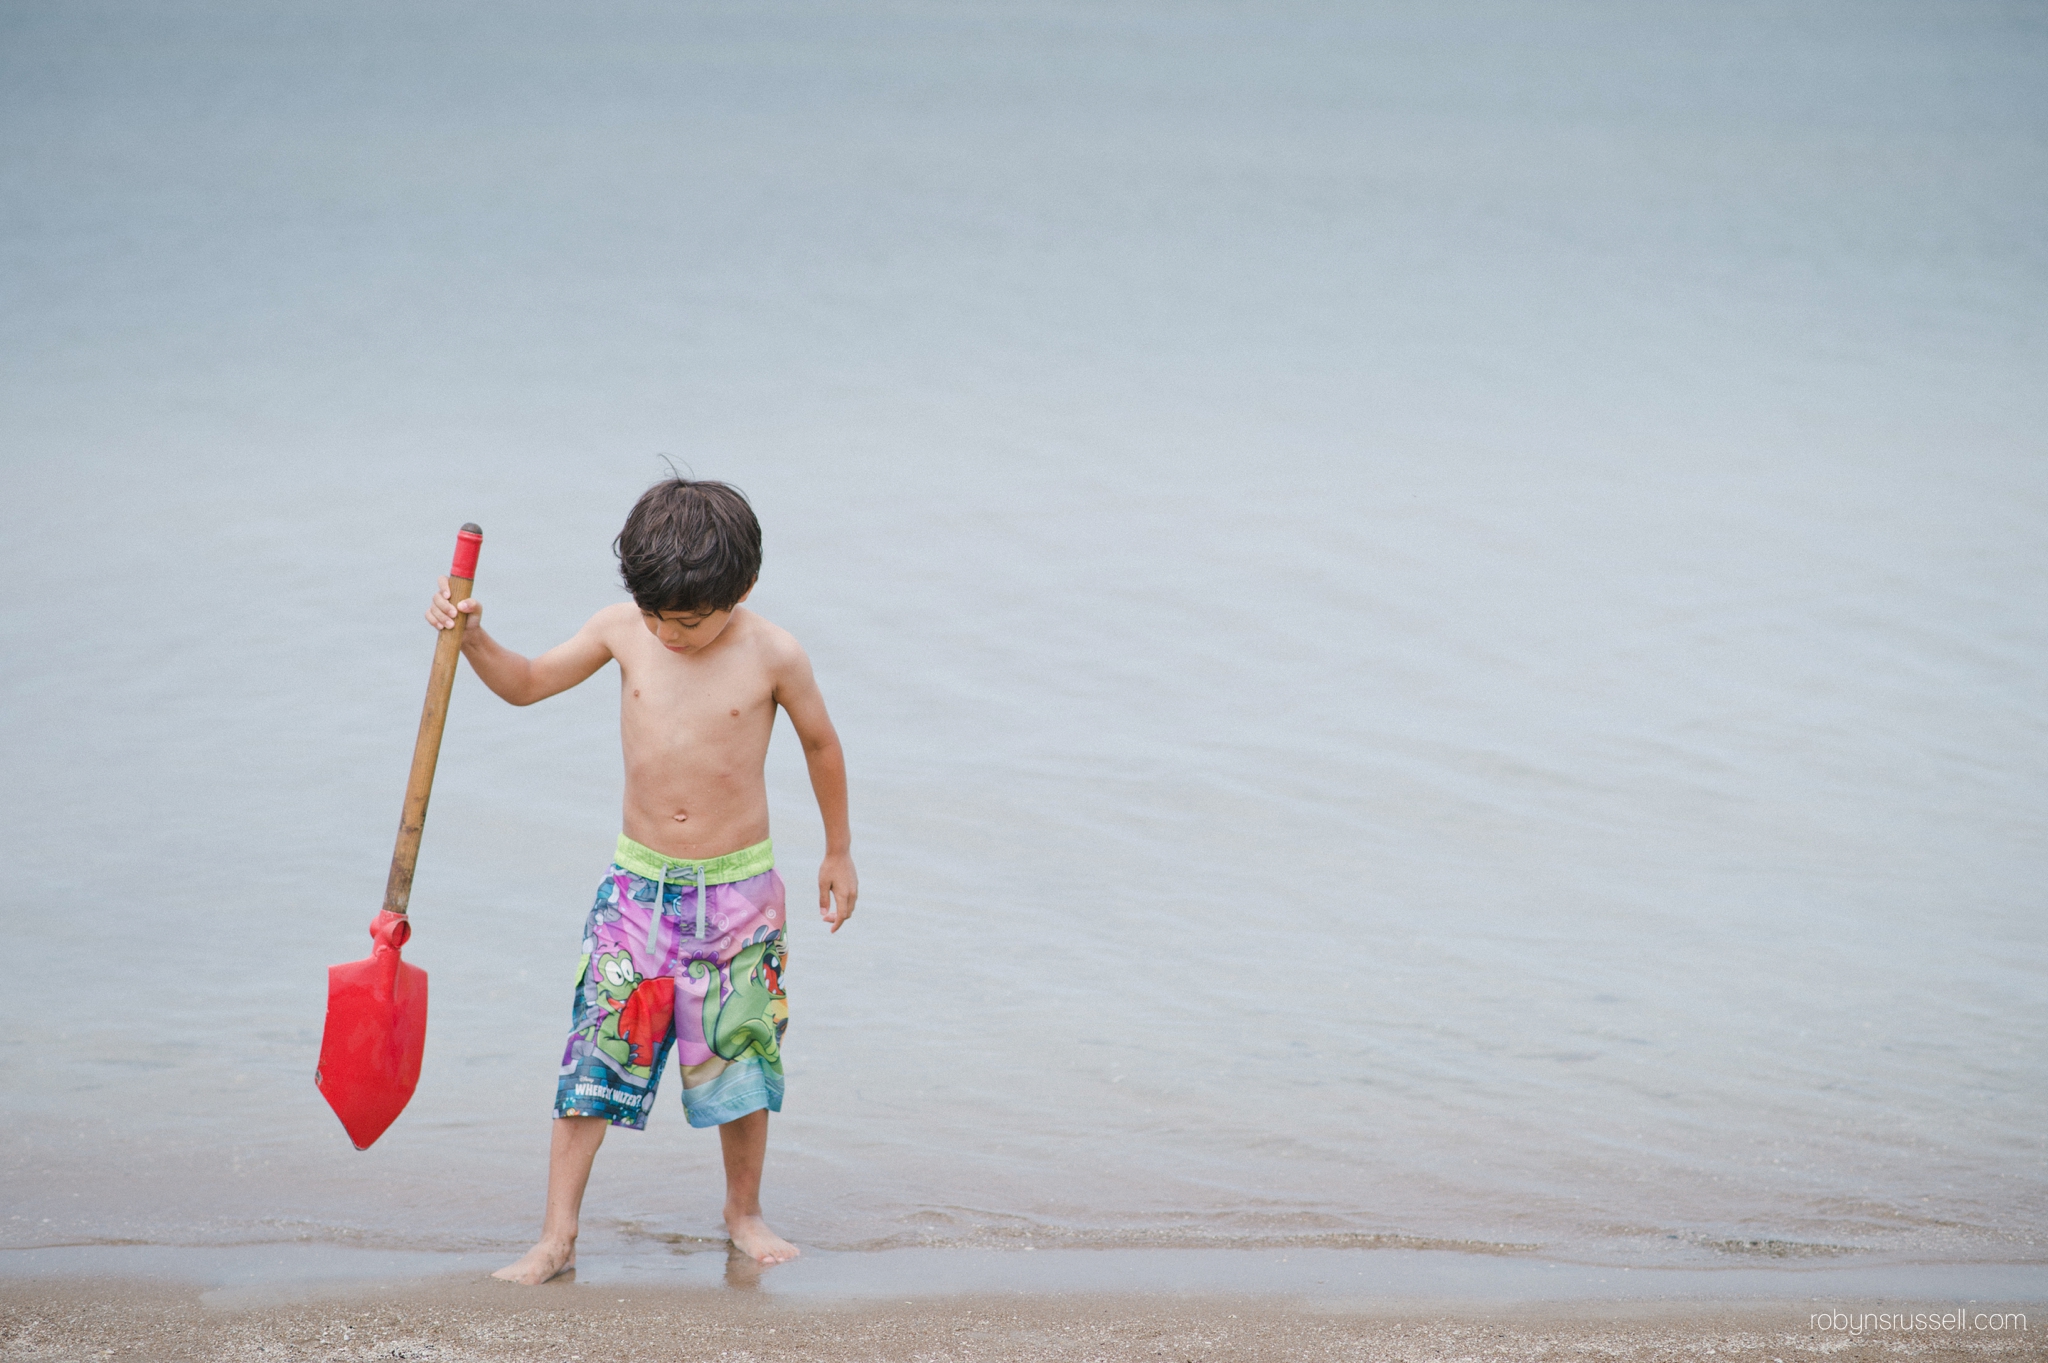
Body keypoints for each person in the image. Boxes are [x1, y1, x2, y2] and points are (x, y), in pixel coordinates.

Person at [425, 478, 857, 1282]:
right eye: (658, 616)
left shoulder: (774, 653)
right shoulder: (622, 631)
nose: (671, 634)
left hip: (739, 898)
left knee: (741, 1059)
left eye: (690, 622)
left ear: (744, 590)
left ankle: (744, 1211)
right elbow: (526, 682)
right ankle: (557, 1236)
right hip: (637, 894)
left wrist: (837, 851)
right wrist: (474, 640)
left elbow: (822, 746)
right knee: (595, 1057)